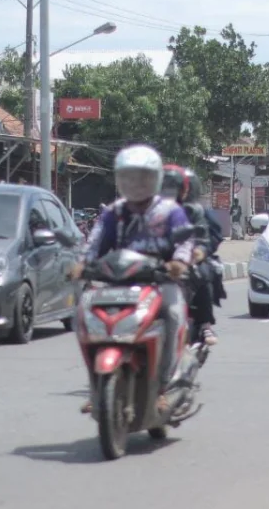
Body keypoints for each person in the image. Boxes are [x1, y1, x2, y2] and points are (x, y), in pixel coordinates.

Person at [71, 145, 196, 414]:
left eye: (142, 177)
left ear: (155, 179)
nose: (135, 184)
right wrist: (81, 264)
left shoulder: (170, 211)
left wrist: (178, 262)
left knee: (175, 316)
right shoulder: (113, 212)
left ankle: (164, 386)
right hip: (116, 281)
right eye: (128, 177)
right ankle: (96, 387)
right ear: (119, 179)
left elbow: (185, 241)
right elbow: (94, 244)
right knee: (81, 314)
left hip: (159, 281)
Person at [160, 163, 222, 346]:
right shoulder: (151, 210)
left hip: (191, 257)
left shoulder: (196, 211)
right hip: (160, 257)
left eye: (174, 187)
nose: (170, 192)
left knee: (201, 272)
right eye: (166, 187)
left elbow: (207, 235)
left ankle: (205, 324)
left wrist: (201, 251)